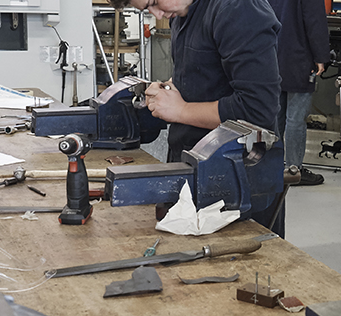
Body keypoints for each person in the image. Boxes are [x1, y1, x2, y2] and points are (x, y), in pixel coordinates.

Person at [117, 0, 284, 233]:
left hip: (237, 179)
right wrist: (168, 89)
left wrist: (181, 111)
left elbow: (257, 110)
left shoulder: (238, 9)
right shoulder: (183, 10)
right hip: (194, 167)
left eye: (154, 2)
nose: (158, 14)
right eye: (146, 10)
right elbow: (206, 72)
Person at [269, 0, 330, 186]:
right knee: (295, 119)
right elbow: (314, 21)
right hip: (299, 57)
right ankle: (294, 170)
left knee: (275, 116)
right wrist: (321, 56)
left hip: (271, 55)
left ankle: (272, 168)